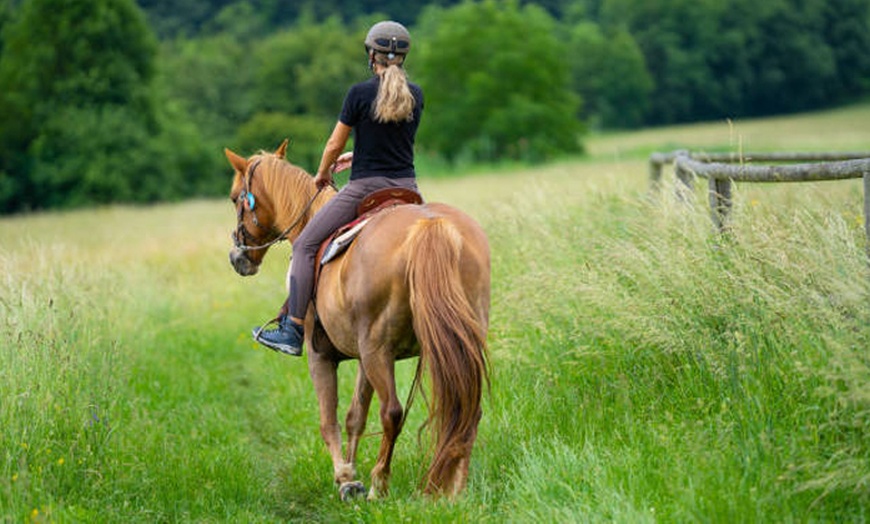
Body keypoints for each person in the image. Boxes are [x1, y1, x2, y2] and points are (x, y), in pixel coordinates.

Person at [253, 20, 424, 356]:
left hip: (365, 187)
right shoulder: (416, 95)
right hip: (408, 189)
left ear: (371, 54)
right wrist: (358, 153)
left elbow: (333, 143)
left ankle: (292, 329)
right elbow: (395, 142)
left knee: (304, 245)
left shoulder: (358, 94)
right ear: (403, 57)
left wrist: (322, 172)